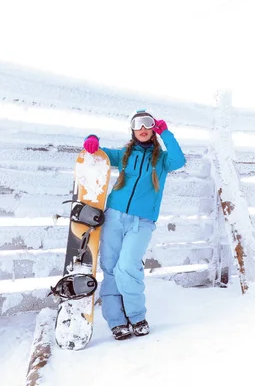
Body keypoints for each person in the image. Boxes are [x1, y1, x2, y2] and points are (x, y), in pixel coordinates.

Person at [82, 109, 186, 340]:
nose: (142, 128)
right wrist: (92, 139)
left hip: (142, 221)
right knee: (110, 269)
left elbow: (179, 160)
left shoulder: (162, 160)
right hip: (114, 217)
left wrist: (166, 133)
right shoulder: (124, 155)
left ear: (153, 129)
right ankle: (117, 321)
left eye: (147, 124)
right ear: (132, 129)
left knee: (127, 266)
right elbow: (99, 154)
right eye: (137, 124)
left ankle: (137, 316)